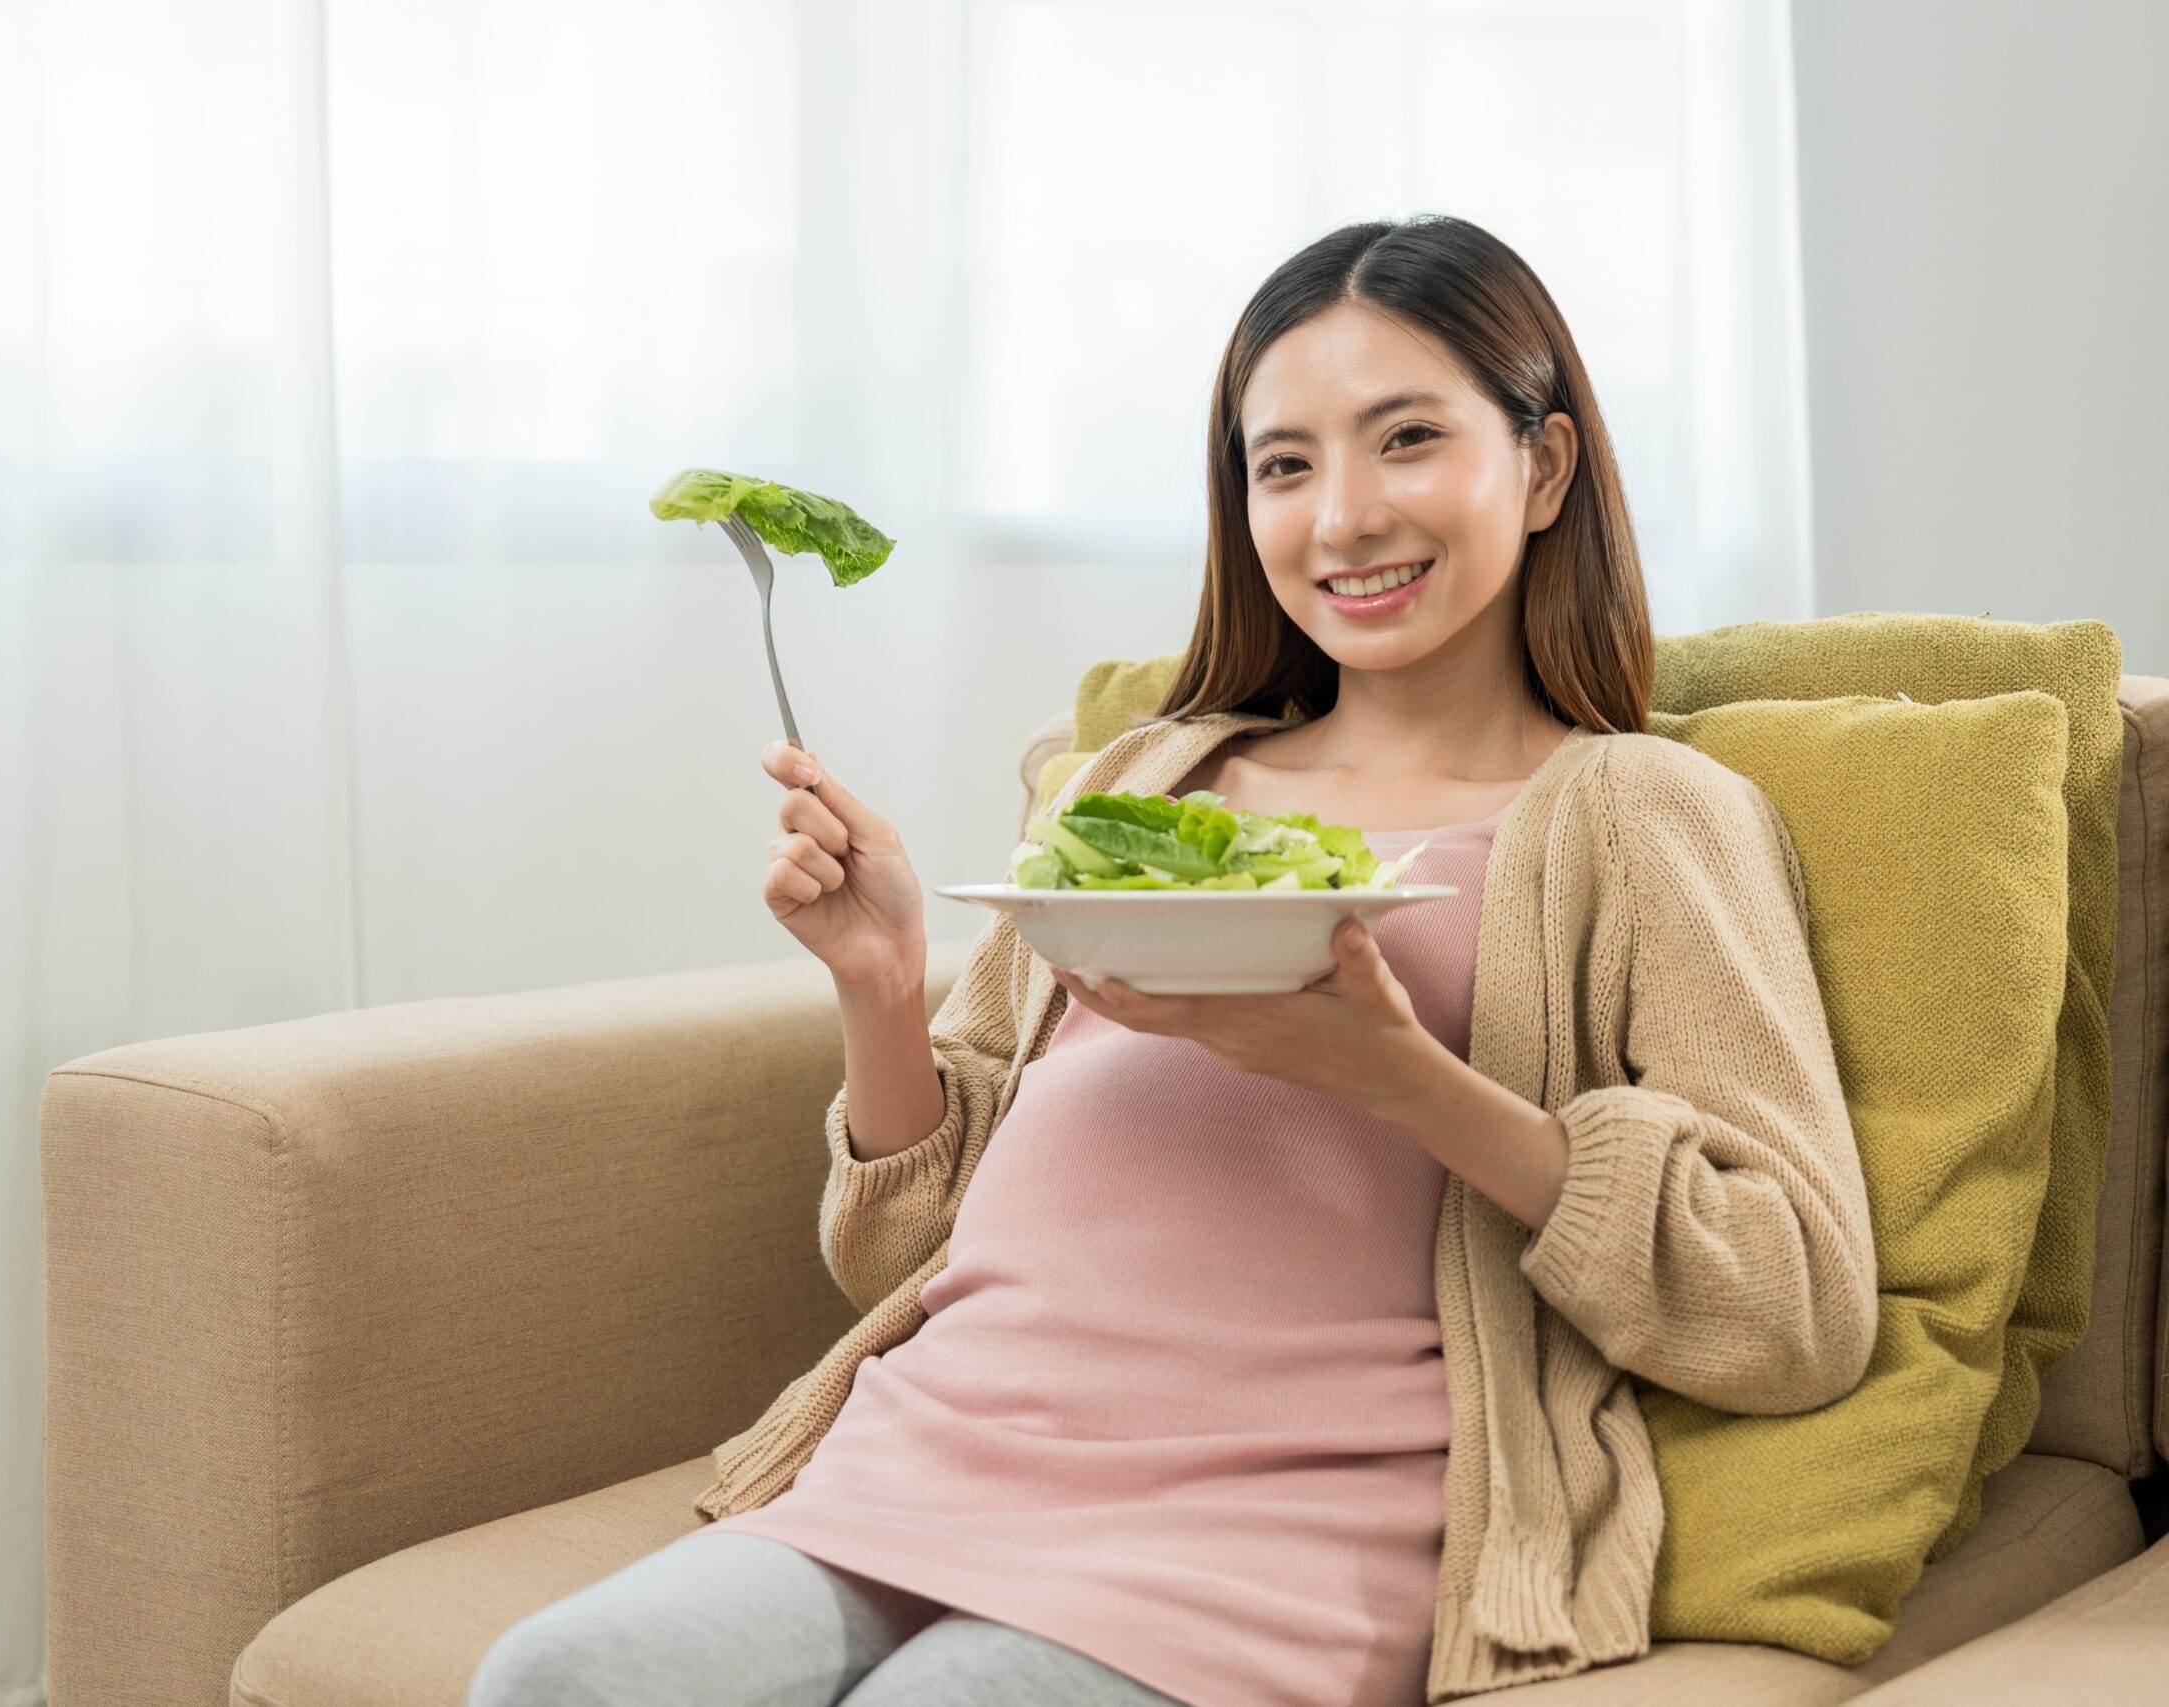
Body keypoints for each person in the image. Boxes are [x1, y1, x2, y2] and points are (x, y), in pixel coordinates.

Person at [467, 214, 1876, 1707]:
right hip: (937, 1450)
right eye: (1285, 465)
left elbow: (1795, 1308)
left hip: (1289, 1509)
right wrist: (881, 985)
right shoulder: (1136, 785)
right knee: (555, 1679)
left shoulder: (1643, 815)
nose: (1343, 518)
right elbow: (900, 1253)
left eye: (1407, 439)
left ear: (1543, 468)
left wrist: (1400, 1078)